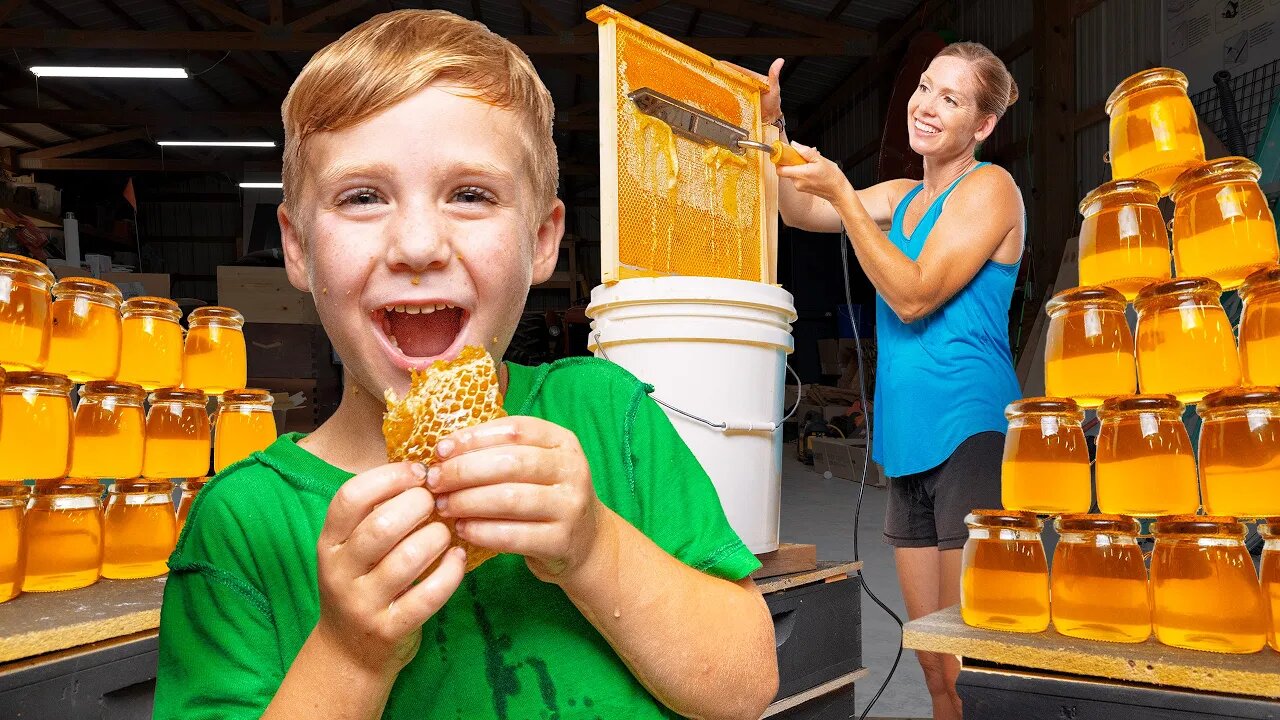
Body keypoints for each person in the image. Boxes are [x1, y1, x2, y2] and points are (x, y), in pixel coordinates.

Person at [154, 10, 778, 719]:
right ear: (298, 249)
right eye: (363, 197)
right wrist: (350, 651)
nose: (419, 244)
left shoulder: (609, 416)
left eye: (471, 194)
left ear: (542, 240)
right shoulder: (241, 523)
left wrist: (594, 546)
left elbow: (745, 686)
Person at [739, 42, 1025, 720]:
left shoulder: (991, 189)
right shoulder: (902, 198)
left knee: (973, 662)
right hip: (906, 443)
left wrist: (841, 188)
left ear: (981, 126)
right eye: (924, 87)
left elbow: (913, 295)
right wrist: (772, 134)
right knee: (934, 665)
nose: (925, 106)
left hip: (970, 436)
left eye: (950, 99)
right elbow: (801, 213)